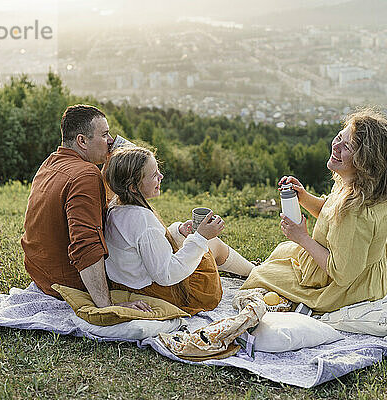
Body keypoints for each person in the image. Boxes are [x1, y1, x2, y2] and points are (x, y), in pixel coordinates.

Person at [242, 108, 387, 313]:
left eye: (347, 146)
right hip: (359, 273)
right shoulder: (358, 186)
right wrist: (303, 196)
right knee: (280, 252)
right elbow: (330, 214)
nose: (336, 146)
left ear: (364, 162)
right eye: (339, 137)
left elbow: (343, 274)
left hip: (347, 289)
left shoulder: (355, 212)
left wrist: (302, 238)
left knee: (261, 276)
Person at [21, 104, 148, 310]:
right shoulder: (86, 175)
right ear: (82, 140)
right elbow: (86, 245)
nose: (110, 141)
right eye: (105, 134)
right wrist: (106, 306)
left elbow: (89, 207)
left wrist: (111, 170)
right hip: (68, 283)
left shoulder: (51, 163)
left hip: (41, 274)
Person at [103, 146, 255, 315]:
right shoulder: (143, 221)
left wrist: (178, 232)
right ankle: (254, 272)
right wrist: (201, 237)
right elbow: (166, 275)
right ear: (133, 187)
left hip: (128, 283)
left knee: (194, 240)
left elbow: (144, 247)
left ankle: (252, 271)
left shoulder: (116, 206)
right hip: (164, 293)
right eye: (154, 175)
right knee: (212, 244)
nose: (161, 177)